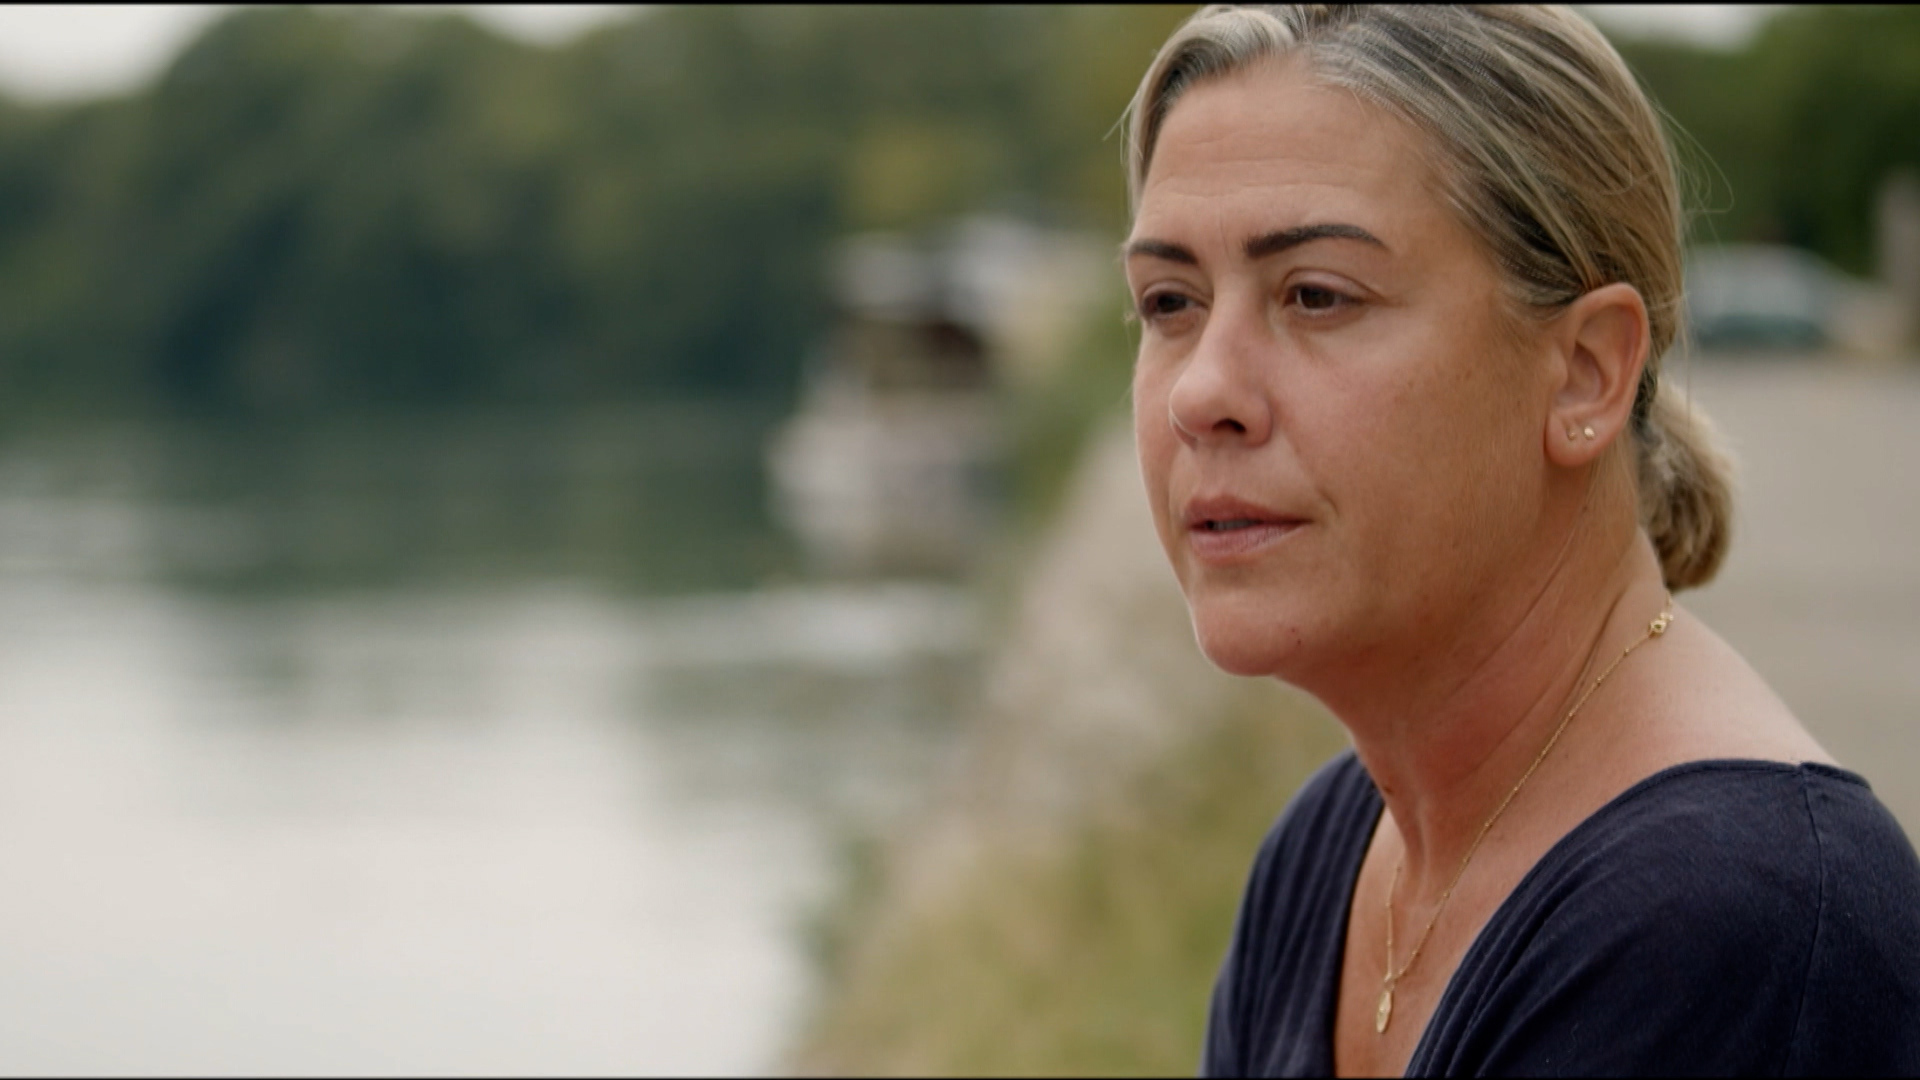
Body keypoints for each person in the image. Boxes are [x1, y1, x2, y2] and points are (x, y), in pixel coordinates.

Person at [1120, 5, 1920, 1076]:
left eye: (1316, 295)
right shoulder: (1328, 851)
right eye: (1169, 302)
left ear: (1586, 372)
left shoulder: (1733, 925)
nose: (1202, 392)